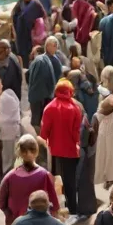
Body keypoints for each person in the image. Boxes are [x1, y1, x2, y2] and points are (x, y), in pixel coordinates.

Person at [39, 80, 84, 215]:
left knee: (52, 180)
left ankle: (53, 207)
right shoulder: (75, 108)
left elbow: (44, 131)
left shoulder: (49, 107)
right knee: (69, 181)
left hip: (53, 150)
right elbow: (77, 132)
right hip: (70, 151)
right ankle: (72, 209)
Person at [0, 134, 59, 225]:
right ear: (37, 152)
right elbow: (54, 205)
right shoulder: (44, 175)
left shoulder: (10, 177)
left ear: (18, 152)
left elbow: (1, 203)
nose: (28, 153)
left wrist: (10, 215)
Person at [92, 94, 113, 188]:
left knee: (105, 157)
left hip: (105, 136)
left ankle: (108, 178)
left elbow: (98, 117)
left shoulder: (100, 114)